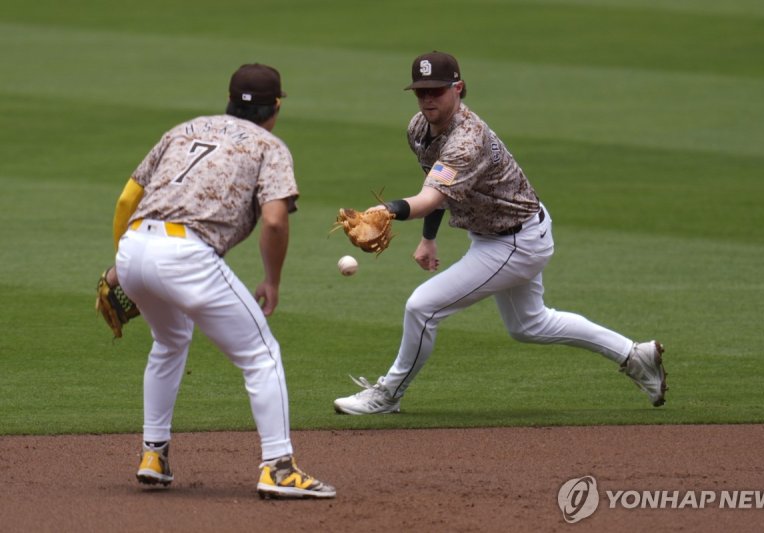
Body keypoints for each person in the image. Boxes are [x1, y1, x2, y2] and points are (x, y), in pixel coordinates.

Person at [333, 51, 667, 415]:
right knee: (530, 324)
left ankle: (388, 394)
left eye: (436, 91)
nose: (428, 99)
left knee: (422, 307)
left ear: (458, 88)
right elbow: (436, 184)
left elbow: (431, 197)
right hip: (506, 235)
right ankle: (636, 355)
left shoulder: (467, 140)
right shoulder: (419, 128)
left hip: (514, 242)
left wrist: (390, 210)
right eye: (420, 92)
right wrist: (429, 237)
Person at [108, 63, 335, 498]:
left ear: (229, 98)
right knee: (261, 353)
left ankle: (153, 455)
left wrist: (120, 262)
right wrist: (272, 280)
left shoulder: (184, 128)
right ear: (277, 107)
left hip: (134, 245)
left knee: (170, 341)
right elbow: (273, 221)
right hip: (185, 256)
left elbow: (127, 198)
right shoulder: (270, 145)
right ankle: (279, 467)